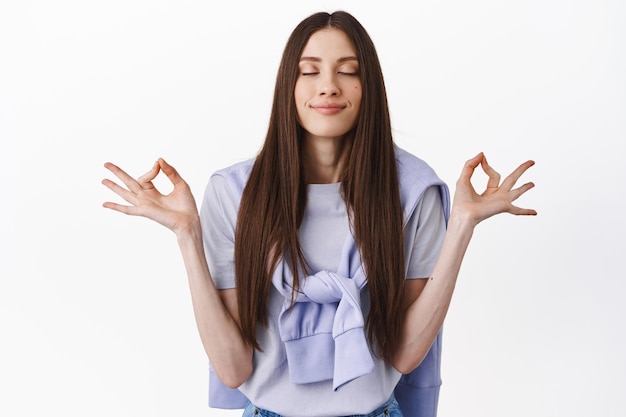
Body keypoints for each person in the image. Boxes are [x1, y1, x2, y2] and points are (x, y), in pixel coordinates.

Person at [102, 10, 536, 417]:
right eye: (309, 71)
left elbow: (405, 354)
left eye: (348, 71)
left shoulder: (412, 192)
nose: (328, 86)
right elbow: (233, 369)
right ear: (287, 87)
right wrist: (187, 233)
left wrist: (461, 224)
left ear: (370, 88)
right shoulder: (234, 193)